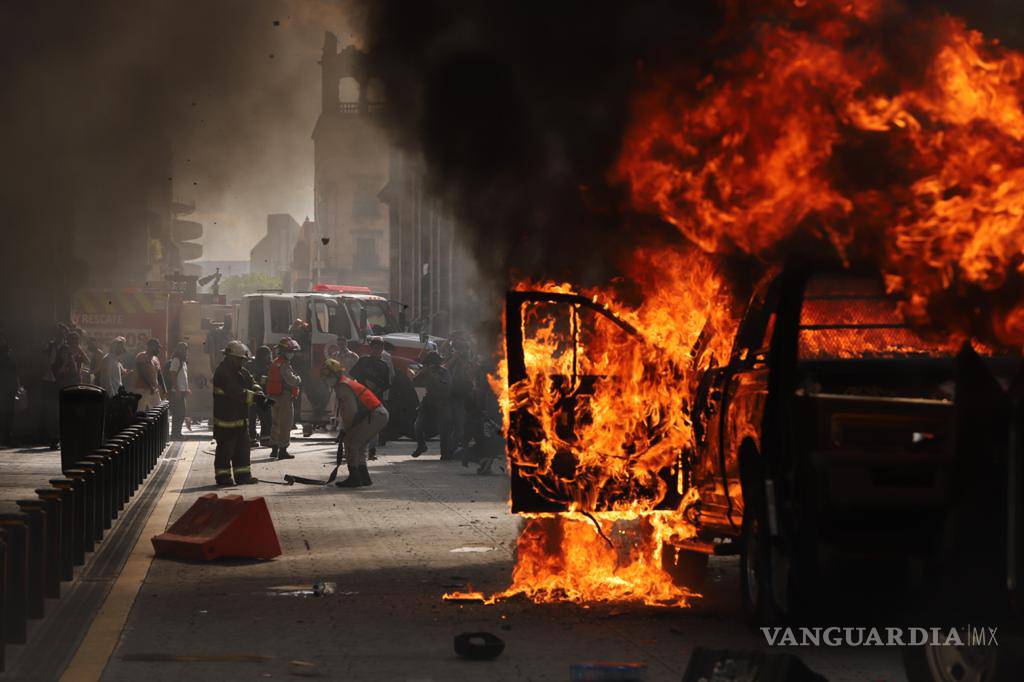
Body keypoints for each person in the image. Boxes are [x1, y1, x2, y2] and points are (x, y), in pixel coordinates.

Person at [212, 340, 262, 486]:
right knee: (225, 451)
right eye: (240, 359)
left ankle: (243, 476)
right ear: (231, 357)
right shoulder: (222, 372)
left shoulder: (240, 370)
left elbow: (251, 382)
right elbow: (236, 392)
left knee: (243, 449)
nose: (243, 362)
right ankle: (223, 478)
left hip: (240, 419)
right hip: (225, 420)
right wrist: (256, 398)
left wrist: (259, 392)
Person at [334, 366, 389, 488]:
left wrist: (345, 430)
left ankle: (354, 478)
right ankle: (364, 477)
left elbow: (349, 410)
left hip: (374, 415)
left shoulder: (342, 387)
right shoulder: (345, 382)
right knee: (360, 445)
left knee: (351, 443)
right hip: (379, 413)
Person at [412, 351, 454, 459]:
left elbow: (447, 387)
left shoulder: (444, 372)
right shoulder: (426, 371)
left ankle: (445, 453)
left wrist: (435, 377)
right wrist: (422, 372)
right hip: (429, 402)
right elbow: (415, 381)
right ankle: (421, 446)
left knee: (444, 429)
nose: (433, 365)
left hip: (442, 402)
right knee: (418, 426)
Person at [267, 337, 301, 460]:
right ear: (285, 351)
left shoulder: (275, 362)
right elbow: (290, 380)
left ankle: (274, 449)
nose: (292, 353)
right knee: (286, 424)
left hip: (273, 396)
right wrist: (298, 379)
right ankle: (283, 450)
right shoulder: (284, 364)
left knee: (275, 423)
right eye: (291, 351)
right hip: (284, 397)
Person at [42, 324, 68, 448]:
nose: (60, 338)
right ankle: (53, 437)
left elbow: (66, 363)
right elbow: (46, 360)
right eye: (58, 335)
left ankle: (56, 437)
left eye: (61, 335)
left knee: (57, 410)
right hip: (50, 380)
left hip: (59, 381)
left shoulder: (65, 348)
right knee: (51, 410)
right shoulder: (50, 346)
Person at [247, 345, 273, 446]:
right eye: (268, 355)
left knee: (265, 417)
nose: (269, 357)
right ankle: (254, 439)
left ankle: (263, 438)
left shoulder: (266, 365)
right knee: (253, 417)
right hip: (254, 394)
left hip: (261, 394)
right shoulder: (252, 364)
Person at [132, 338, 166, 412]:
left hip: (154, 390)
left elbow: (159, 374)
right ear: (151, 347)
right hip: (141, 389)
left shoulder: (156, 359)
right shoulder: (141, 356)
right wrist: (150, 385)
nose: (158, 350)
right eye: (157, 348)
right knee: (140, 411)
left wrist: (164, 389)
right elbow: (142, 372)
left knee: (157, 411)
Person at [167, 342, 191, 438]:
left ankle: (177, 432)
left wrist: (187, 389)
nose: (185, 351)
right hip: (177, 391)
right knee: (178, 413)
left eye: (186, 349)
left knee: (181, 413)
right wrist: (176, 389)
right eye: (183, 349)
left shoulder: (183, 362)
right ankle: (175, 433)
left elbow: (183, 377)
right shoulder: (176, 360)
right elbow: (173, 374)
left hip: (182, 391)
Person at [0, 335, 19, 446]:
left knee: (9, 412)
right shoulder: (8, 354)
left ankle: (7, 436)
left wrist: (17, 384)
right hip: (5, 385)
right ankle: (6, 436)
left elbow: (14, 370)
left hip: (8, 386)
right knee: (6, 412)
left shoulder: (9, 353)